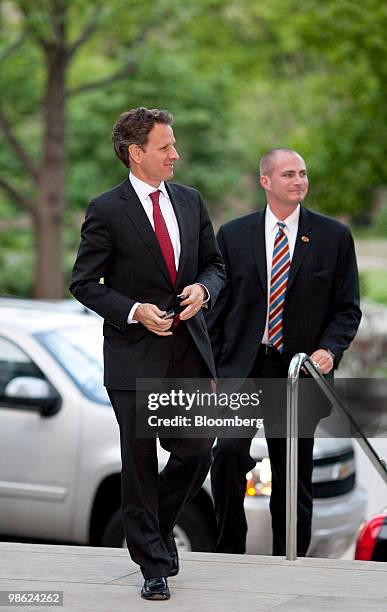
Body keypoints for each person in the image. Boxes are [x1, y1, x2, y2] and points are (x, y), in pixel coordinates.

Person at [70, 107, 224, 600]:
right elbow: (83, 284)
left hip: (188, 355)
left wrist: (204, 289)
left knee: (198, 450)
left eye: (173, 144)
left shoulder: (191, 201)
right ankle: (153, 564)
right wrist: (135, 310)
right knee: (138, 463)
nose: (175, 154)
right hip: (134, 359)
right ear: (136, 154)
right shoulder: (106, 209)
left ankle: (151, 527)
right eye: (165, 146)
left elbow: (216, 266)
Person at [206, 148, 361, 557]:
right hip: (245, 367)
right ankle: (228, 553)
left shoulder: (333, 237)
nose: (299, 181)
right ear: (266, 182)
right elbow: (218, 312)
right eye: (289, 174)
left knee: (293, 475)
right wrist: (215, 368)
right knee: (227, 454)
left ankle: (288, 561)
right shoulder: (234, 235)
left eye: (303, 174)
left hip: (297, 372)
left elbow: (347, 309)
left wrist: (330, 349)